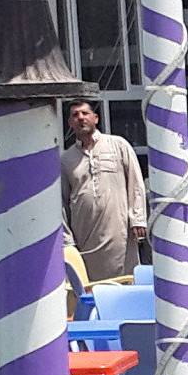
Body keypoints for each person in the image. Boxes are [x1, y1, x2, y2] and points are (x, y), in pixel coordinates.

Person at [58, 101, 147, 282]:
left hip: (119, 230)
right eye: (75, 115)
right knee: (91, 283)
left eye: (84, 113)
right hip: (85, 234)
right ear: (69, 123)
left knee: (126, 279)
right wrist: (67, 240)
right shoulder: (66, 159)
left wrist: (138, 219)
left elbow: (136, 183)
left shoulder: (118, 145)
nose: (80, 118)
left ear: (95, 118)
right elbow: (61, 202)